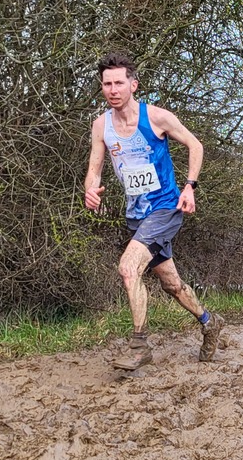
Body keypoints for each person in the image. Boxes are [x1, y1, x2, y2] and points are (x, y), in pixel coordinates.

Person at [83, 50, 225, 370]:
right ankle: (209, 322)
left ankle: (139, 345)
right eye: (107, 84)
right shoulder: (101, 126)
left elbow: (195, 145)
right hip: (136, 214)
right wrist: (90, 190)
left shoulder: (157, 117)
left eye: (119, 83)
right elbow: (94, 171)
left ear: (133, 85)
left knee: (128, 267)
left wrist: (190, 186)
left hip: (165, 207)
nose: (113, 90)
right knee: (171, 284)